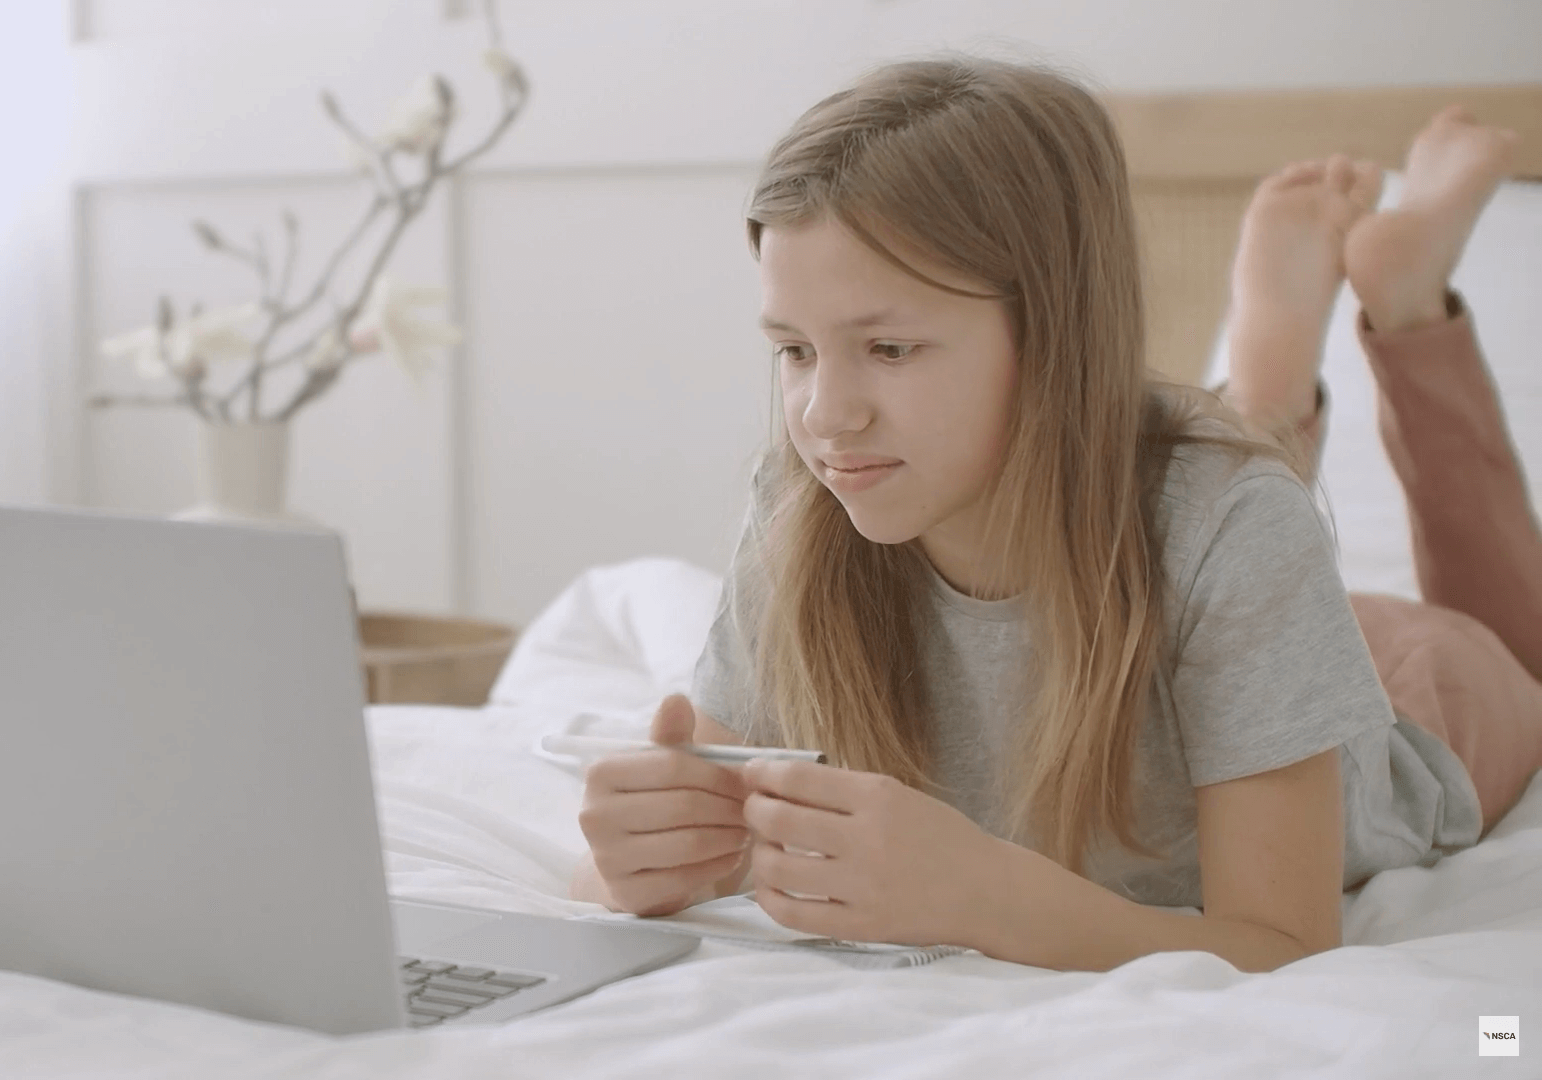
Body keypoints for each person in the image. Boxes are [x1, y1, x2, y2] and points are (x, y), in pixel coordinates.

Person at [569, 57, 1540, 975]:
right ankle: (1268, 380)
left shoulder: (1237, 533)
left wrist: (984, 896)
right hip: (1199, 585)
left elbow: (1284, 945)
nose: (826, 415)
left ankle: (1407, 308)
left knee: (1517, 653)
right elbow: (674, 837)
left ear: (1056, 334)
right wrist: (636, 859)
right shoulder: (800, 510)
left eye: (893, 349)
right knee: (1210, 492)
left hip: (1412, 682)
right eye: (793, 349)